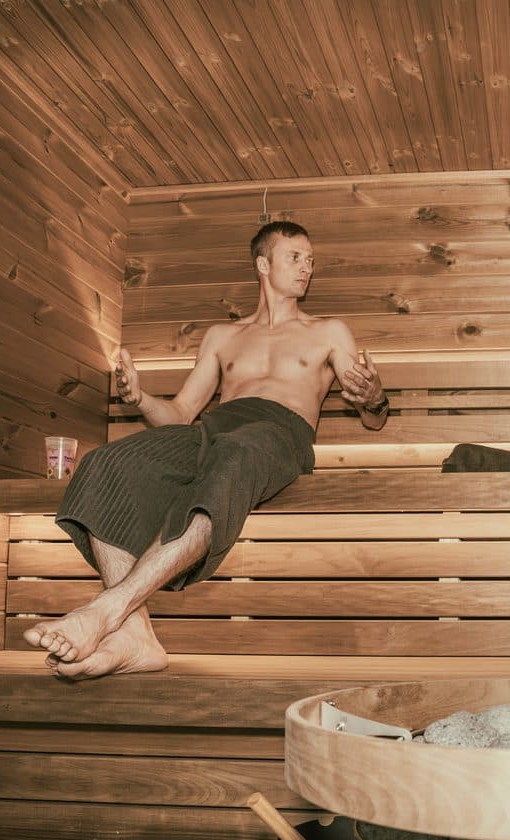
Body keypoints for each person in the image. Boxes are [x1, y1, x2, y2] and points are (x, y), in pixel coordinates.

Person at [24, 221, 388, 679]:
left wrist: (373, 396)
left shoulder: (329, 331)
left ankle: (107, 611)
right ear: (263, 264)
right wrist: (140, 399)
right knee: (105, 462)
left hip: (279, 434)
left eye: (310, 260)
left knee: (232, 455)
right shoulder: (222, 337)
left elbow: (373, 417)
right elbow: (181, 412)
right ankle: (136, 636)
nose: (307, 268)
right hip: (214, 431)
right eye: (295, 257)